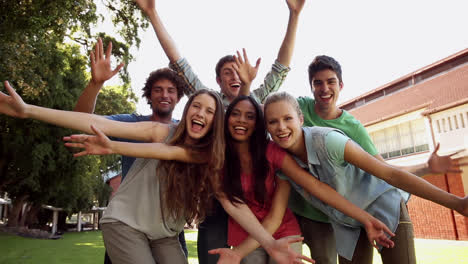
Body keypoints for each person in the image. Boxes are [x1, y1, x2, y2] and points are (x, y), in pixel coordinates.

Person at [0, 81, 314, 264]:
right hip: (125, 223)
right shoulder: (161, 131)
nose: (201, 113)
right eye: (196, 106)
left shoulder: (212, 159)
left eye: (210, 111)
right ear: (187, 110)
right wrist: (28, 110)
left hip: (163, 233)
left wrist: (269, 243)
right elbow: (104, 126)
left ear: (216, 123)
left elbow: (234, 204)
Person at [132, 0, 306, 262]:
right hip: (218, 195)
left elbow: (280, 67)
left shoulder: (260, 101)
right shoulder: (210, 104)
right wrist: (153, 14)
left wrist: (294, 15)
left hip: (257, 198)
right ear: (218, 80)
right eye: (228, 73)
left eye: (238, 72)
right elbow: (179, 63)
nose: (235, 77)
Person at [291, 55, 467, 264]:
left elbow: (387, 172)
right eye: (317, 83)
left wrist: (428, 171)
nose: (324, 89)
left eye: (331, 82)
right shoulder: (298, 111)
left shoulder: (346, 132)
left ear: (341, 85)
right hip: (346, 215)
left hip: (379, 205)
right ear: (310, 87)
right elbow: (269, 102)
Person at [74, 38, 189, 261]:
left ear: (178, 97)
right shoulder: (130, 124)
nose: (164, 95)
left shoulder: (186, 133)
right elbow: (81, 120)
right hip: (128, 220)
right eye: (158, 90)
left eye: (171, 90)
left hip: (167, 224)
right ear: (148, 95)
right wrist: (95, 84)